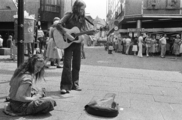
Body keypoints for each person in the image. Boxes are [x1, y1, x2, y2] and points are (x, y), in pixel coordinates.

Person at [56, 0, 90, 94]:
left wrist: (88, 34)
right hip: (68, 43)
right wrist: (66, 34)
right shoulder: (69, 15)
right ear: (76, 7)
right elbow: (58, 25)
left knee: (76, 64)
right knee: (67, 64)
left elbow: (84, 30)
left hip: (77, 44)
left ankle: (75, 84)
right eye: (81, 8)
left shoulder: (82, 19)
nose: (83, 10)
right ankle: (65, 86)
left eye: (84, 9)